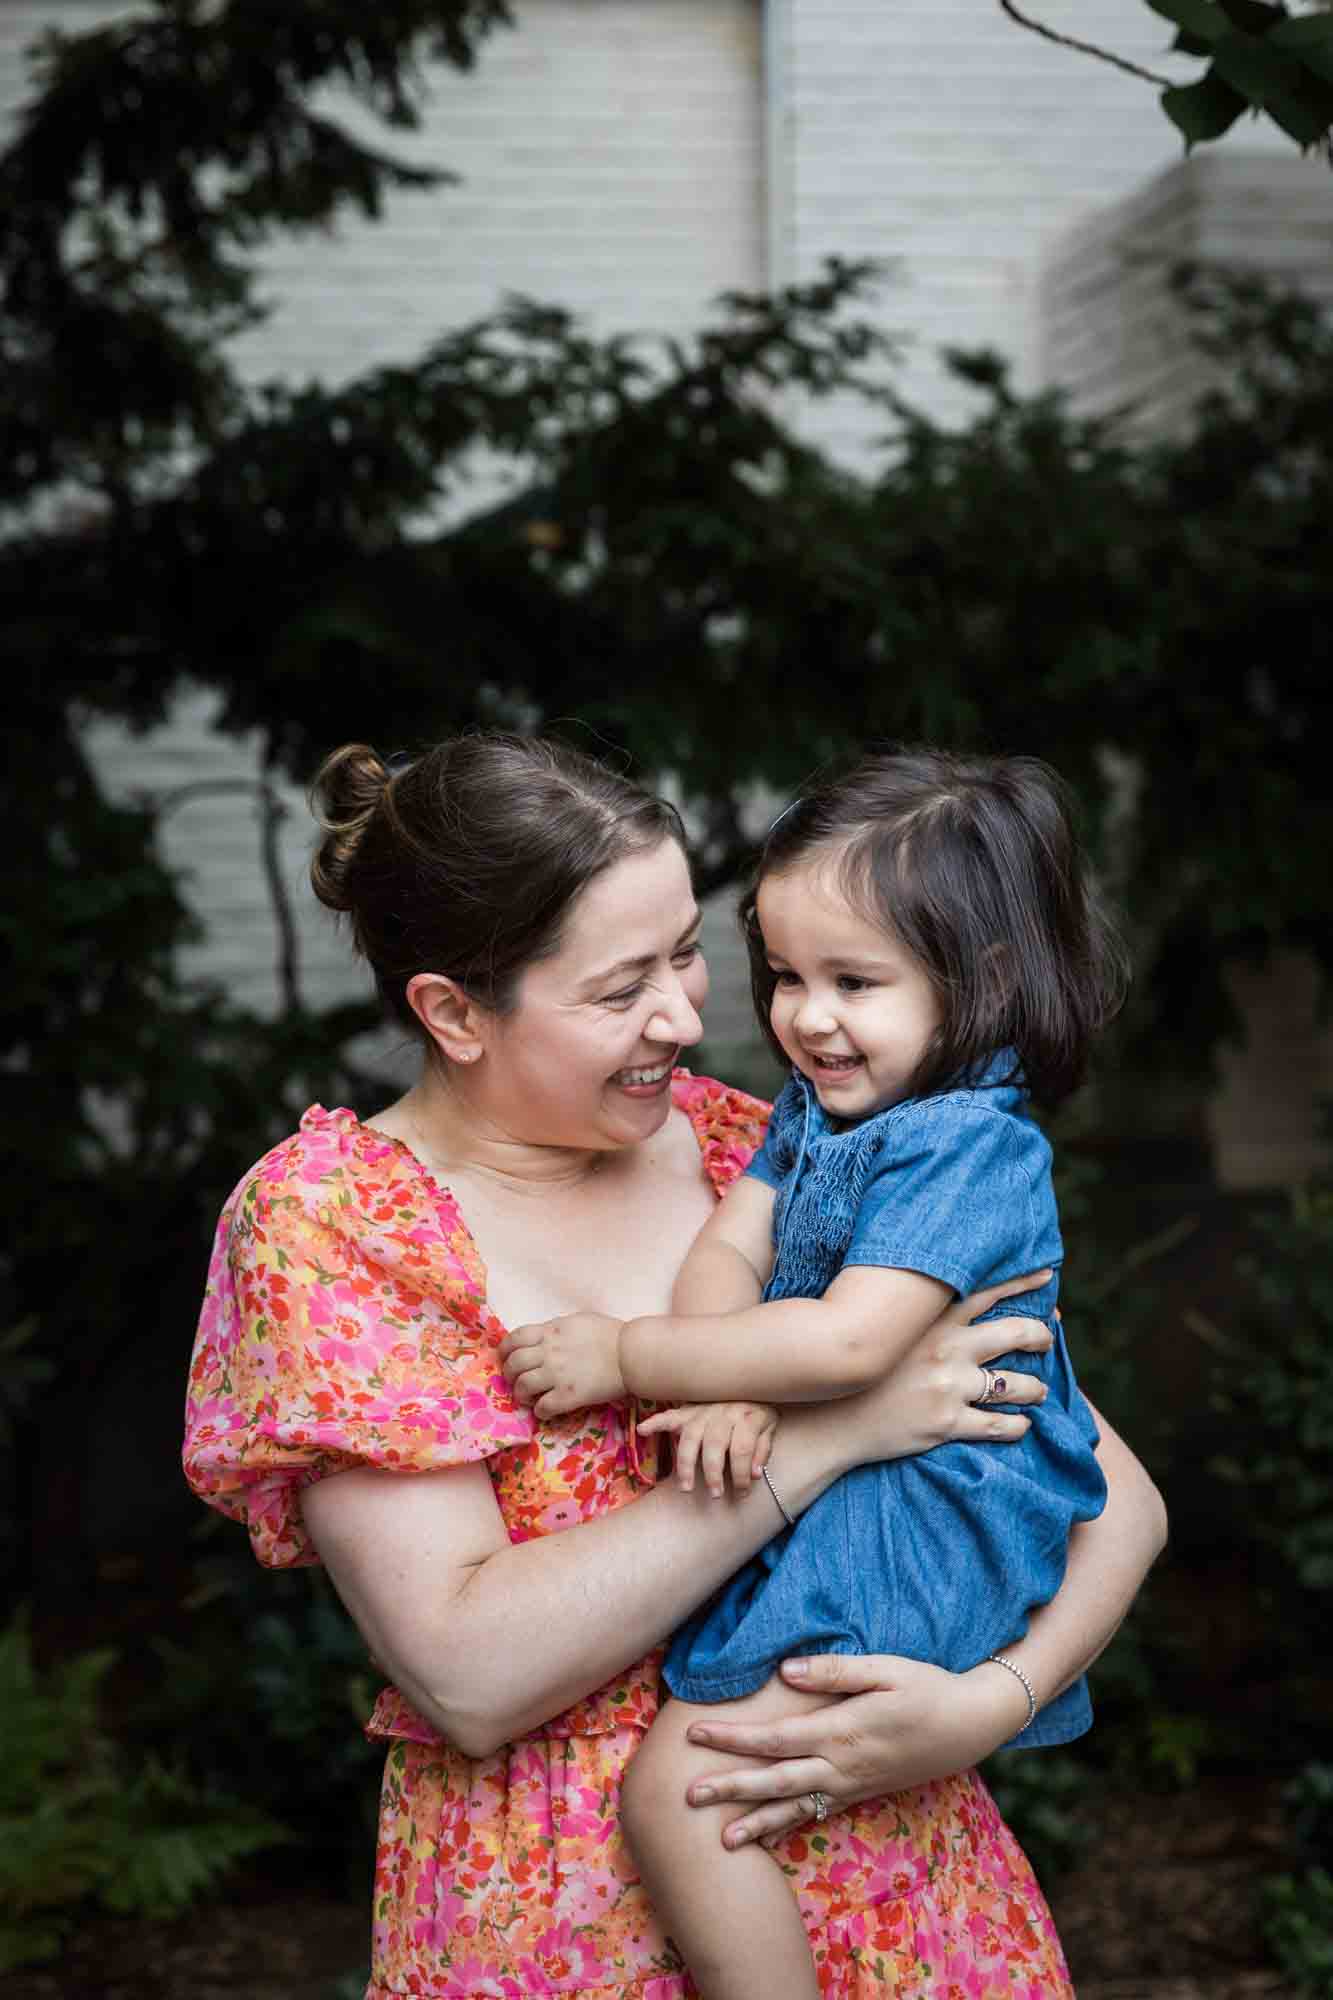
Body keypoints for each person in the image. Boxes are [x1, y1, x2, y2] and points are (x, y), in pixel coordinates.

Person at [182, 733, 1166, 2000]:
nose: (687, 1017)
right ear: (452, 1011)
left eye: (689, 953)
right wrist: (823, 1439)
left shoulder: (759, 1144)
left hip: (887, 1867)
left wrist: (992, 1700)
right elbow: (468, 1671)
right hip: (550, 1915)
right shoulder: (334, 1224)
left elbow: (1117, 1497)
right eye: (619, 985)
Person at [500, 748, 1128, 2000]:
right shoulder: (823, 1108)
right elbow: (731, 1246)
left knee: (682, 1795)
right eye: (785, 974)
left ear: (982, 981)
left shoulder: (970, 1148)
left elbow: (847, 1342)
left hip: (931, 1519)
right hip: (867, 1497)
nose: (806, 1014)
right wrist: (725, 1383)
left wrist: (631, 1356)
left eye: (854, 979)